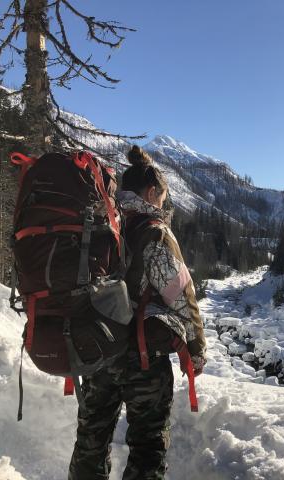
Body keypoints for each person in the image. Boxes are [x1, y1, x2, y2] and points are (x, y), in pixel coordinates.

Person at [68, 146, 207, 480]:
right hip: (142, 356)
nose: (163, 203)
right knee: (147, 448)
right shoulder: (155, 232)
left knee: (91, 441)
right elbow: (179, 294)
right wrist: (196, 348)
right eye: (163, 196)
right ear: (150, 193)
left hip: (98, 350)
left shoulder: (100, 222)